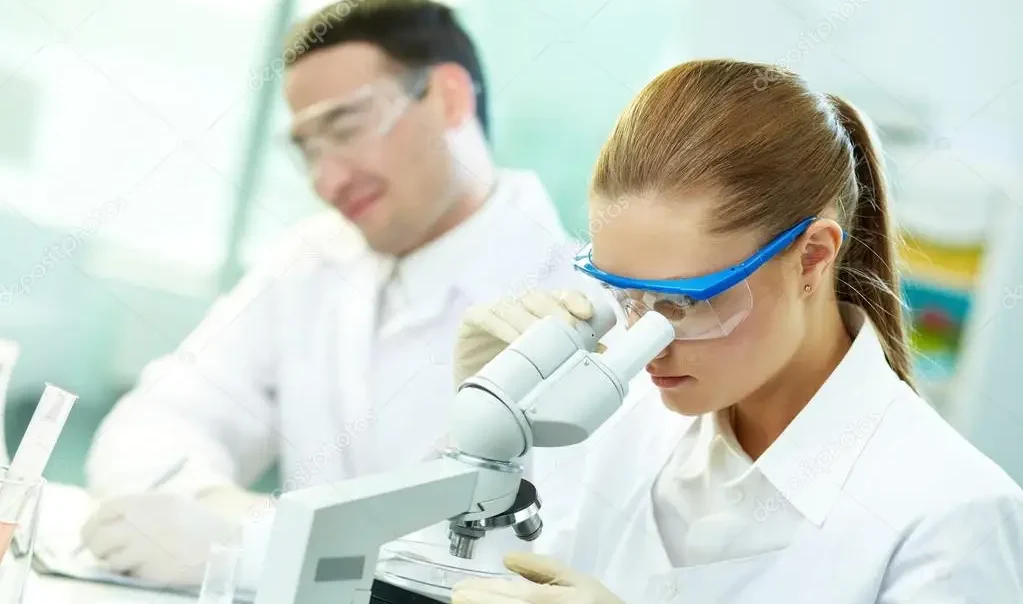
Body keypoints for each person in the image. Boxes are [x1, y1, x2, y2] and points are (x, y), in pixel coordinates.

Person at [448, 59, 1023, 603]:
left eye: (686, 300)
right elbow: (481, 577)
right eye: (625, 294)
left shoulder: (951, 514)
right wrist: (490, 444)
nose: (647, 339)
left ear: (813, 258)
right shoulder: (624, 426)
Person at [80, 0, 585, 588]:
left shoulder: (575, 301)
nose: (327, 180)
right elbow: (152, 423)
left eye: (345, 129)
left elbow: (535, 564)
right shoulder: (312, 260)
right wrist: (215, 507)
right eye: (309, 150)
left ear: (448, 97)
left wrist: (255, 547)